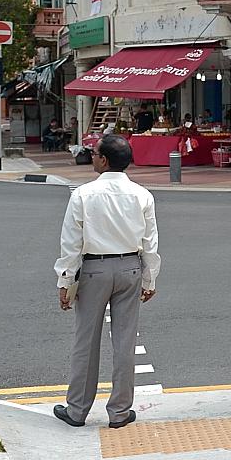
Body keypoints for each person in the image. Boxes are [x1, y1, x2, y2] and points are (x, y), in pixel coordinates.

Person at [52, 134, 160, 429]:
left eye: (95, 153)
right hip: (130, 268)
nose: (93, 157)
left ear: (104, 160)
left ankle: (77, 410)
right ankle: (120, 412)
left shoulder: (84, 194)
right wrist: (150, 278)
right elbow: (150, 242)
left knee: (85, 341)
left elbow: (71, 243)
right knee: (125, 342)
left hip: (94, 270)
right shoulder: (142, 195)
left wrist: (65, 280)